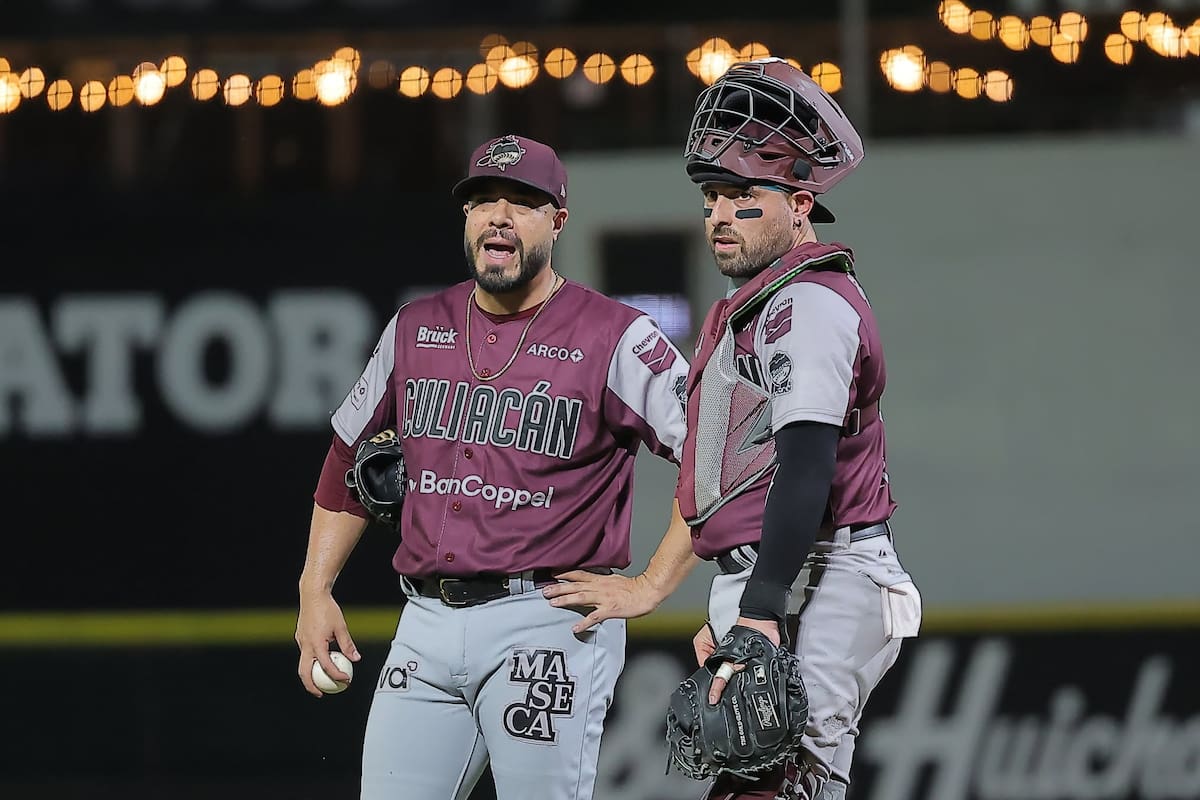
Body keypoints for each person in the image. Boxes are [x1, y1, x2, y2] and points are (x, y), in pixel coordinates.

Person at [547, 59, 922, 800]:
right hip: (784, 575)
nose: (719, 214)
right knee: (754, 785)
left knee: (783, 786)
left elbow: (805, 467)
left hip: (824, 574)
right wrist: (702, 591)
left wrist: (760, 610)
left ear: (801, 204)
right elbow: (730, 482)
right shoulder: (759, 307)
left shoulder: (807, 306)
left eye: (744, 196)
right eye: (712, 197)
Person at [294, 133, 695, 800]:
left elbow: (714, 456)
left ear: (558, 221)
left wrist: (652, 584)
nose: (499, 217)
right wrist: (315, 587)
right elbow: (346, 458)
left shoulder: (615, 336)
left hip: (548, 619)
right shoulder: (416, 326)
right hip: (425, 618)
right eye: (483, 200)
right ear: (466, 218)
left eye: (522, 202)